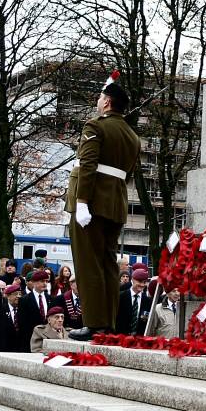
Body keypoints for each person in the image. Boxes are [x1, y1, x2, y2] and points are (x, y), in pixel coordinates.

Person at [65, 75, 141, 341]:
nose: (98, 101)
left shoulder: (95, 126)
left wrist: (83, 202)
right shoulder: (132, 136)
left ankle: (94, 323)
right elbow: (126, 174)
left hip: (91, 203)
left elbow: (87, 165)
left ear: (107, 102)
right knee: (108, 264)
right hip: (115, 204)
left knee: (88, 264)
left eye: (100, 97)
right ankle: (107, 322)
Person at [17, 270, 52, 352]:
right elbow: (22, 323)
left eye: (46, 281)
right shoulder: (24, 300)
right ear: (34, 283)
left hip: (48, 340)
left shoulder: (50, 299)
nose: (45, 284)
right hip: (30, 341)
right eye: (42, 281)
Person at [115, 268, 151, 336]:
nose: (142, 285)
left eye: (144, 282)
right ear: (133, 280)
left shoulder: (147, 301)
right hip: (120, 338)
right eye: (140, 281)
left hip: (138, 341)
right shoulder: (120, 297)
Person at [2, 284, 23, 352]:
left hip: (21, 348)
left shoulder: (24, 310)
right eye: (15, 294)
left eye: (20, 294)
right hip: (5, 348)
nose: (18, 296)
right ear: (8, 296)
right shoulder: (1, 310)